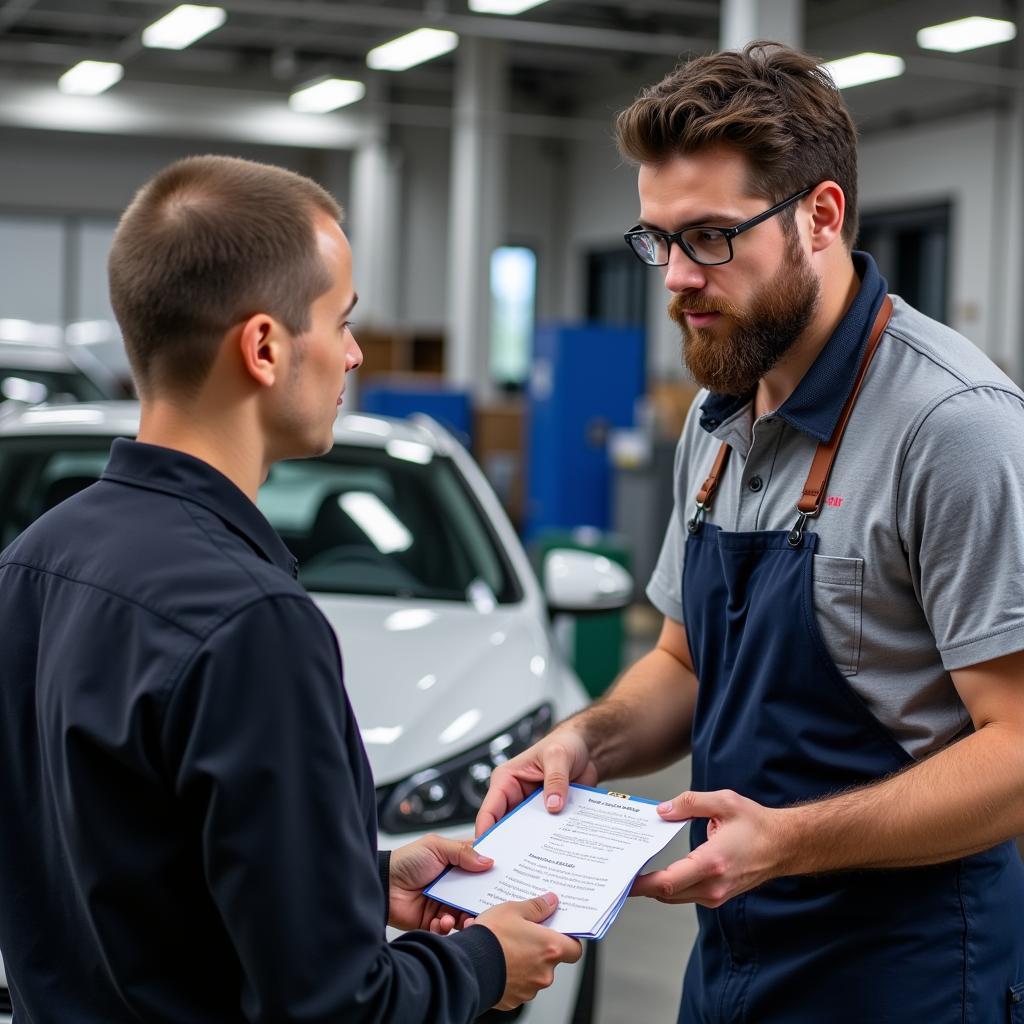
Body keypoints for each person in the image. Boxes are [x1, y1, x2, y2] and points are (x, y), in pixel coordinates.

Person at [478, 42, 1024, 1023]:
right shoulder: (716, 417)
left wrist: (788, 841)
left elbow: (1018, 747)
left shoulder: (954, 428)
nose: (678, 278)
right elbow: (684, 664)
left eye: (713, 237)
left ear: (820, 216)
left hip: (913, 974)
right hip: (738, 953)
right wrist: (583, 742)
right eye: (657, 241)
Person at [0, 154, 580, 1023]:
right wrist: (481, 963)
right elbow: (333, 1007)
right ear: (265, 346)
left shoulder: (33, 560)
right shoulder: (252, 622)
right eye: (341, 320)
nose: (352, 353)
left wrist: (358, 881)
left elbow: (124, 869)